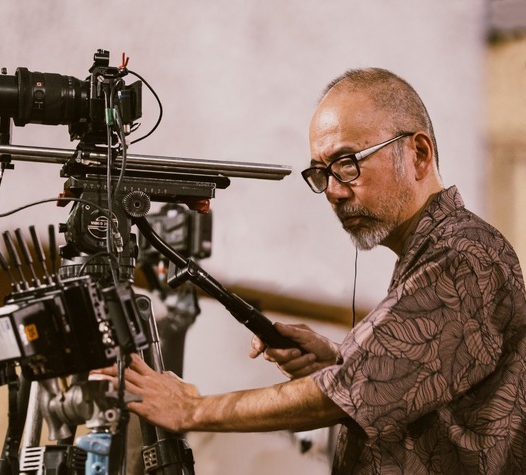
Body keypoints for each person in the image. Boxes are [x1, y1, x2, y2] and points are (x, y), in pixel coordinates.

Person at [95, 68, 526, 474]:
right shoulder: (432, 251)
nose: (334, 191)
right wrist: (336, 359)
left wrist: (192, 409)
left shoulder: (465, 255)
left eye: (348, 162)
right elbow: (415, 385)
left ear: (418, 153)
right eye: (322, 173)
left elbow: (346, 394)